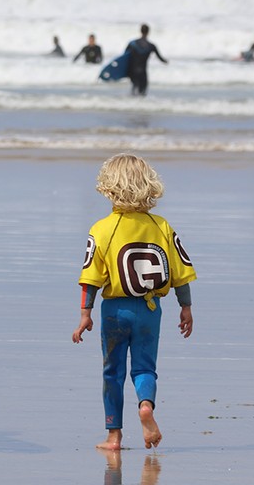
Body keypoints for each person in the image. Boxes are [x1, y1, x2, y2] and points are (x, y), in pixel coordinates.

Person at [72, 153, 197, 451]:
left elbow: (91, 276)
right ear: (149, 185)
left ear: (109, 188)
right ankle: (145, 406)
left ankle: (114, 436)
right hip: (150, 310)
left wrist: (85, 314)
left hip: (115, 310)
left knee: (112, 372)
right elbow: (180, 273)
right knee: (144, 369)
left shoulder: (102, 228)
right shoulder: (162, 225)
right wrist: (186, 307)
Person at [125, 24, 168, 96]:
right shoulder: (151, 46)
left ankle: (132, 105)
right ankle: (142, 106)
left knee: (134, 91)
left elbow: (125, 56)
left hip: (133, 72)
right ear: (148, 32)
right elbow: (160, 58)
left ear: (140, 31)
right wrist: (166, 62)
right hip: (143, 72)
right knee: (142, 93)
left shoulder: (132, 44)